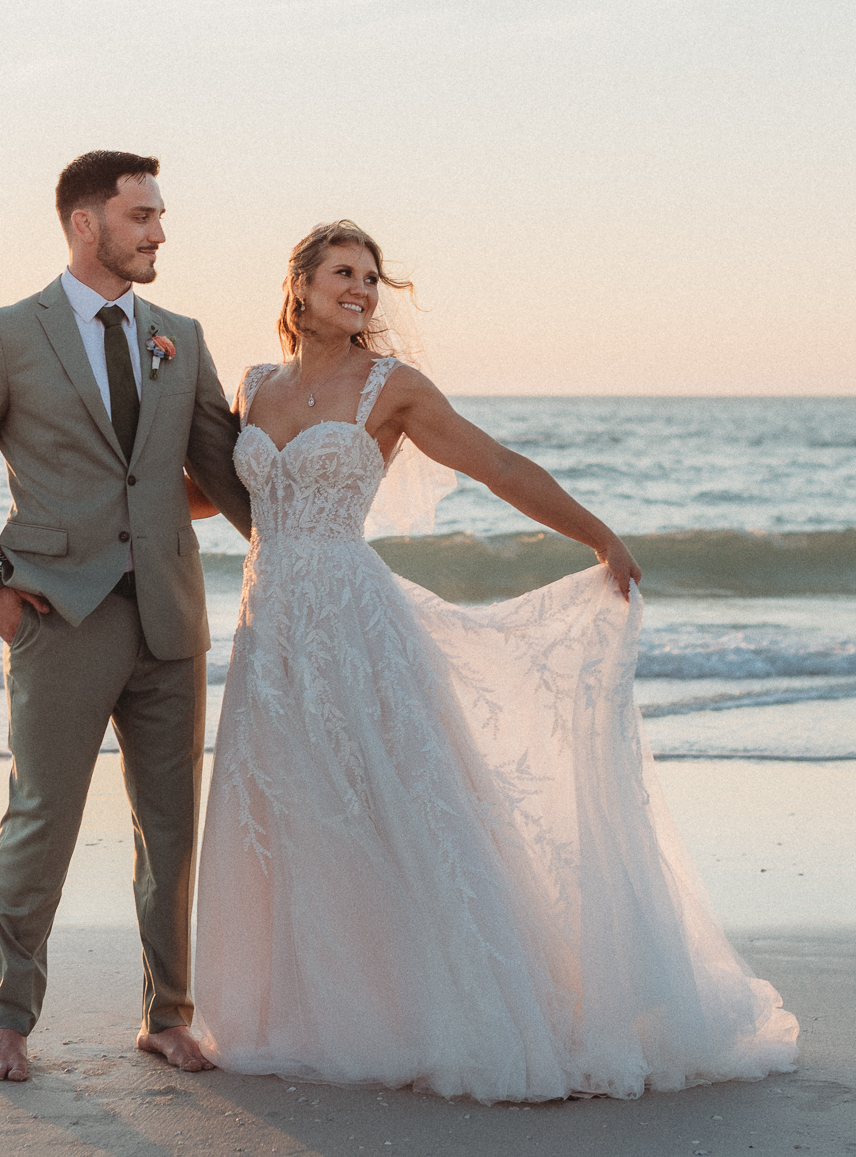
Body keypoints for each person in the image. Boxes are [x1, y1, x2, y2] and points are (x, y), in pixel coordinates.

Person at [190, 220, 800, 1102]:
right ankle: (301, 1013)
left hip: (354, 629)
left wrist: (599, 535)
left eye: (371, 278)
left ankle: (433, 1009)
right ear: (301, 285)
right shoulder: (253, 384)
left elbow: (497, 465)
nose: (361, 290)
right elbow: (214, 494)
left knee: (390, 812)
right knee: (286, 813)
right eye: (343, 274)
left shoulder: (390, 387)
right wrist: (102, 512)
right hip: (269, 630)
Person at [0, 151, 251, 1083]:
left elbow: (220, 472)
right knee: (42, 818)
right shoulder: (8, 334)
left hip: (171, 620)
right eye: (140, 216)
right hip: (58, 616)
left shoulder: (178, 334)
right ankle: (12, 1017)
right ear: (84, 222)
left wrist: (304, 549)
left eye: (159, 215)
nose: (158, 233)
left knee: (171, 827)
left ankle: (168, 1015)